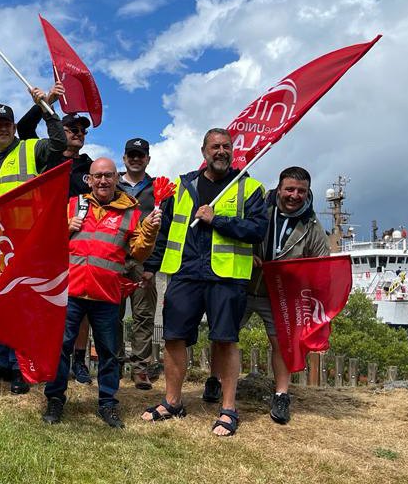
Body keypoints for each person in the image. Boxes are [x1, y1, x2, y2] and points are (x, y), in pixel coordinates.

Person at [141, 128, 267, 437]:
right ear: (203, 152)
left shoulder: (249, 188)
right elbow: (168, 230)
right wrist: (150, 267)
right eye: (215, 147)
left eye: (226, 146)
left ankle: (228, 408)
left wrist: (218, 220)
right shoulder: (182, 187)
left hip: (226, 276)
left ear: (232, 150)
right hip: (185, 273)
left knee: (225, 339)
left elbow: (257, 230)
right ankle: (172, 402)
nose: (221, 151)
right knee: (173, 337)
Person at [41, 158, 160, 428]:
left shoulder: (131, 212)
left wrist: (150, 232)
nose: (103, 181)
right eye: (97, 176)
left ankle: (107, 403)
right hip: (70, 292)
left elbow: (139, 252)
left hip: (105, 295)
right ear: (89, 180)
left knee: (109, 353)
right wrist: (63, 229)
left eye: (108, 176)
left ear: (116, 178)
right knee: (60, 348)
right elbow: (47, 241)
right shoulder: (73, 205)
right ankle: (55, 399)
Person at [0, 84, 67, 394]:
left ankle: (19, 366)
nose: (2, 129)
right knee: (4, 304)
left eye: (7, 125)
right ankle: (3, 360)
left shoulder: (31, 148)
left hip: (26, 242)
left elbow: (59, 142)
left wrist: (45, 106)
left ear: (14, 126)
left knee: (25, 304)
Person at [244, 166, 330, 424]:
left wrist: (297, 275)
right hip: (245, 285)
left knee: (282, 344)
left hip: (280, 295)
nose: (294, 195)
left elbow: (321, 266)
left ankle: (281, 395)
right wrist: (247, 255)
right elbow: (237, 235)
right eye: (289, 189)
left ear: (308, 193)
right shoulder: (259, 209)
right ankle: (215, 380)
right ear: (279, 188)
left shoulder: (312, 226)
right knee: (223, 334)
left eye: (301, 191)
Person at [17, 105, 94, 384]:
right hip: (44, 237)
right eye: (73, 128)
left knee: (79, 299)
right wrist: (43, 103)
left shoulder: (89, 166)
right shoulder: (45, 155)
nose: (79, 133)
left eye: (83, 130)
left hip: (78, 240)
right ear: (61, 131)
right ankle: (39, 358)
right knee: (43, 297)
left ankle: (79, 360)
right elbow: (23, 129)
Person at [116, 138, 159, 390]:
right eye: (131, 154)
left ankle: (141, 369)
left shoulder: (158, 190)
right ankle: (116, 365)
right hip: (115, 259)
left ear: (147, 159)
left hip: (144, 262)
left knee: (143, 316)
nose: (135, 158)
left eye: (140, 155)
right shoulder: (111, 183)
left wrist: (153, 265)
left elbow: (163, 231)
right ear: (124, 158)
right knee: (113, 314)